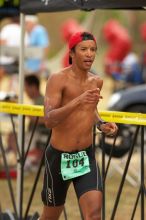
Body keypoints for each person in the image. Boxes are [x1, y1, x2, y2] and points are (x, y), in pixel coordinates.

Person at [39, 31, 118, 220]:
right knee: (50, 217)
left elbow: (91, 110)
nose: (89, 54)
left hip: (85, 156)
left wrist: (101, 124)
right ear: (72, 53)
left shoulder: (96, 81)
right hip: (58, 157)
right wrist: (78, 100)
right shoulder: (58, 79)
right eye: (83, 49)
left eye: (93, 50)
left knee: (94, 215)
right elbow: (49, 119)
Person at [24, 74, 50, 170]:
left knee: (17, 138)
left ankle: (28, 163)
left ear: (33, 87)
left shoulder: (42, 101)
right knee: (13, 137)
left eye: (26, 87)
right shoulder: (37, 101)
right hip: (36, 134)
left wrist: (28, 115)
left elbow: (46, 119)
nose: (25, 90)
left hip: (40, 134)